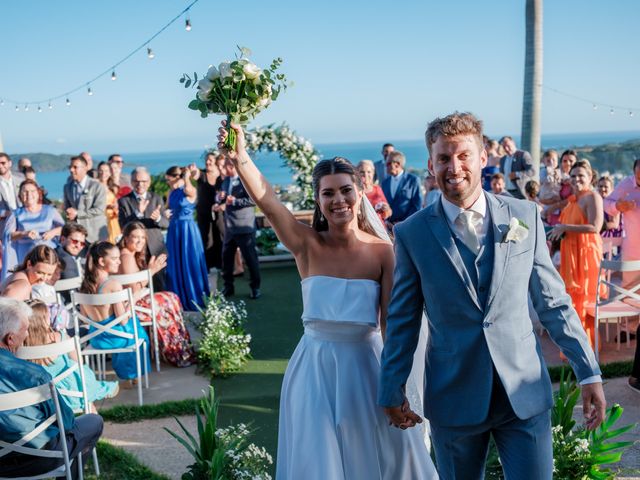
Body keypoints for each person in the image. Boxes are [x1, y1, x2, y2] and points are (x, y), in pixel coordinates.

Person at [379, 112, 604, 480]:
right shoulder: (412, 234)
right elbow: (403, 318)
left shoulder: (524, 215)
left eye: (464, 155)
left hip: (524, 393)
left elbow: (554, 303)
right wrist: (392, 386)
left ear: (483, 157)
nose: (454, 167)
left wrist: (588, 372)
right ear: (432, 164)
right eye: (444, 158)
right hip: (454, 395)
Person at [217, 121, 437, 480]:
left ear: (360, 192)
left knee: (382, 458)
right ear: (318, 200)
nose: (338, 201)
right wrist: (240, 156)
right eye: (328, 194)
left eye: (346, 190)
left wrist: (396, 388)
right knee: (320, 461)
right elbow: (269, 202)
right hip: (314, 369)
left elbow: (390, 325)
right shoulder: (306, 244)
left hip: (367, 368)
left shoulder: (383, 252)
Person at [0, 298, 103, 480]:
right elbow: (67, 422)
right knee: (94, 422)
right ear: (10, 338)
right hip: (41, 458)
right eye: (25, 333)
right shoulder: (34, 374)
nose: (25, 338)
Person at [118, 221, 195, 367]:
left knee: (171, 297)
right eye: (135, 237)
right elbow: (133, 290)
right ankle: (175, 351)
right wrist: (151, 272)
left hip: (134, 301)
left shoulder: (130, 254)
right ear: (126, 238)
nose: (140, 241)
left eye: (142, 237)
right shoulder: (126, 256)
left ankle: (176, 348)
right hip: (130, 307)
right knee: (169, 301)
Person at [24, 300, 119, 412]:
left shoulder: (20, 347)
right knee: (79, 370)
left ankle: (94, 395)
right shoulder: (60, 337)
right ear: (44, 321)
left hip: (42, 399)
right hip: (73, 395)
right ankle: (98, 391)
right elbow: (78, 361)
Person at [548, 161, 605, 349]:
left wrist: (565, 227)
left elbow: (595, 227)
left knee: (584, 301)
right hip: (570, 253)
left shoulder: (592, 197)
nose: (576, 179)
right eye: (573, 176)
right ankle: (576, 346)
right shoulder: (572, 199)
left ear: (590, 177)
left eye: (581, 175)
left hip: (586, 254)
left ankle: (587, 347)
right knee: (571, 301)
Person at [79, 241, 150, 381]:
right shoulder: (113, 285)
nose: (119, 262)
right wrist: (133, 299)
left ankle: (129, 375)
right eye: (114, 258)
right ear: (101, 261)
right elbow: (123, 320)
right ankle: (131, 376)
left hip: (96, 339)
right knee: (136, 327)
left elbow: (83, 317)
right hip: (116, 339)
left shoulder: (84, 286)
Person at [165, 165, 210, 310]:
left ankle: (194, 296)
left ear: (175, 177)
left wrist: (186, 177)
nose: (167, 182)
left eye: (168, 179)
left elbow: (189, 190)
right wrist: (165, 213)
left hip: (187, 230)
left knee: (190, 261)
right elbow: (167, 207)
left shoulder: (189, 190)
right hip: (174, 229)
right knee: (176, 262)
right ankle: (178, 296)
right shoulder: (170, 192)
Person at [216, 159, 261, 299]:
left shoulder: (245, 181)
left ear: (232, 166)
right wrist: (219, 197)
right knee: (226, 259)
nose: (223, 169)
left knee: (250, 259)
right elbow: (221, 199)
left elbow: (254, 200)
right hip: (229, 227)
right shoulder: (226, 181)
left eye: (225, 166)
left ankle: (255, 288)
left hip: (244, 227)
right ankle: (228, 287)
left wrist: (235, 201)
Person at [118, 167, 169, 291]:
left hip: (156, 248)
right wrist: (137, 213)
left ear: (149, 181)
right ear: (131, 181)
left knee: (160, 284)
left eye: (144, 181)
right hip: (135, 250)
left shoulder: (156, 197)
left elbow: (166, 224)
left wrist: (157, 219)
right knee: (140, 285)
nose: (140, 184)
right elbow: (124, 227)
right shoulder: (124, 201)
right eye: (136, 181)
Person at [1, 179, 64, 279]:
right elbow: (8, 236)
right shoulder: (16, 214)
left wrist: (53, 232)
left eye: (32, 191)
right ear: (20, 196)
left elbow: (65, 229)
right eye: (25, 192)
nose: (29, 194)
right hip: (26, 255)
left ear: (38, 193)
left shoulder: (50, 210)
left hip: (49, 254)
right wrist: (25, 233)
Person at [603, 159, 640, 288]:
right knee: (630, 291)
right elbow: (606, 204)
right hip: (634, 249)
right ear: (634, 173)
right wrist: (618, 206)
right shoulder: (626, 184)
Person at [63, 155, 108, 244]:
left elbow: (99, 210)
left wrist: (77, 213)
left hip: (96, 235)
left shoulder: (97, 186)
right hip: (77, 237)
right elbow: (67, 207)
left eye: (75, 167)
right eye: (70, 167)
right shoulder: (67, 187)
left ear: (85, 168)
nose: (71, 170)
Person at [192, 152, 225, 272]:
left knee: (220, 237)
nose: (207, 162)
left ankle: (221, 265)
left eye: (210, 160)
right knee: (206, 239)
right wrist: (193, 170)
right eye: (206, 160)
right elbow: (195, 175)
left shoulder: (221, 176)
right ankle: (207, 267)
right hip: (204, 214)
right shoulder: (202, 174)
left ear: (216, 162)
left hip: (219, 213)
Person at [380, 151, 422, 225]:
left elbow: (417, 206)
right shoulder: (384, 183)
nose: (386, 166)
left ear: (397, 164)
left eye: (388, 163)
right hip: (388, 227)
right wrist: (387, 222)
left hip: (407, 225)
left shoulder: (413, 180)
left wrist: (403, 223)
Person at [357, 159, 392, 225]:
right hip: (363, 229)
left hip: (380, 227)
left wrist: (386, 209)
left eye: (369, 172)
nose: (365, 175)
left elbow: (389, 213)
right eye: (362, 172)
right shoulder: (355, 191)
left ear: (373, 173)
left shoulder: (377, 189)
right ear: (357, 174)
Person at [0, 153, 23, 241]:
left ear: (10, 163)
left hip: (22, 225)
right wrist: (5, 213)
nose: (0, 166)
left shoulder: (21, 180)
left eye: (3, 163)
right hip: (3, 227)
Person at [97, 161, 122, 243]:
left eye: (106, 171)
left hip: (113, 219)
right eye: (101, 170)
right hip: (101, 218)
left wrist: (116, 208)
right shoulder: (94, 186)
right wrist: (106, 206)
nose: (103, 173)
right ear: (98, 171)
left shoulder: (113, 187)